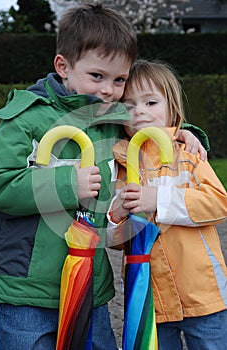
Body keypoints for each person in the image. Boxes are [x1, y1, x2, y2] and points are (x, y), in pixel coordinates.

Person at [0, 3, 208, 349]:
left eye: (119, 80)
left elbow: (149, 129)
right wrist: (66, 185)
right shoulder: (26, 118)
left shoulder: (110, 119)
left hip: (91, 285)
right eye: (97, 76)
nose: (109, 90)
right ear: (63, 67)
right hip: (28, 288)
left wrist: (185, 134)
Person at [108, 59, 227, 349]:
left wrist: (158, 199)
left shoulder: (188, 153)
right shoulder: (119, 166)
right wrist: (117, 215)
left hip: (203, 293)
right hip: (150, 298)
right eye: (129, 105)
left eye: (150, 102)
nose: (140, 112)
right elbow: (113, 240)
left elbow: (217, 203)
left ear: (171, 108)